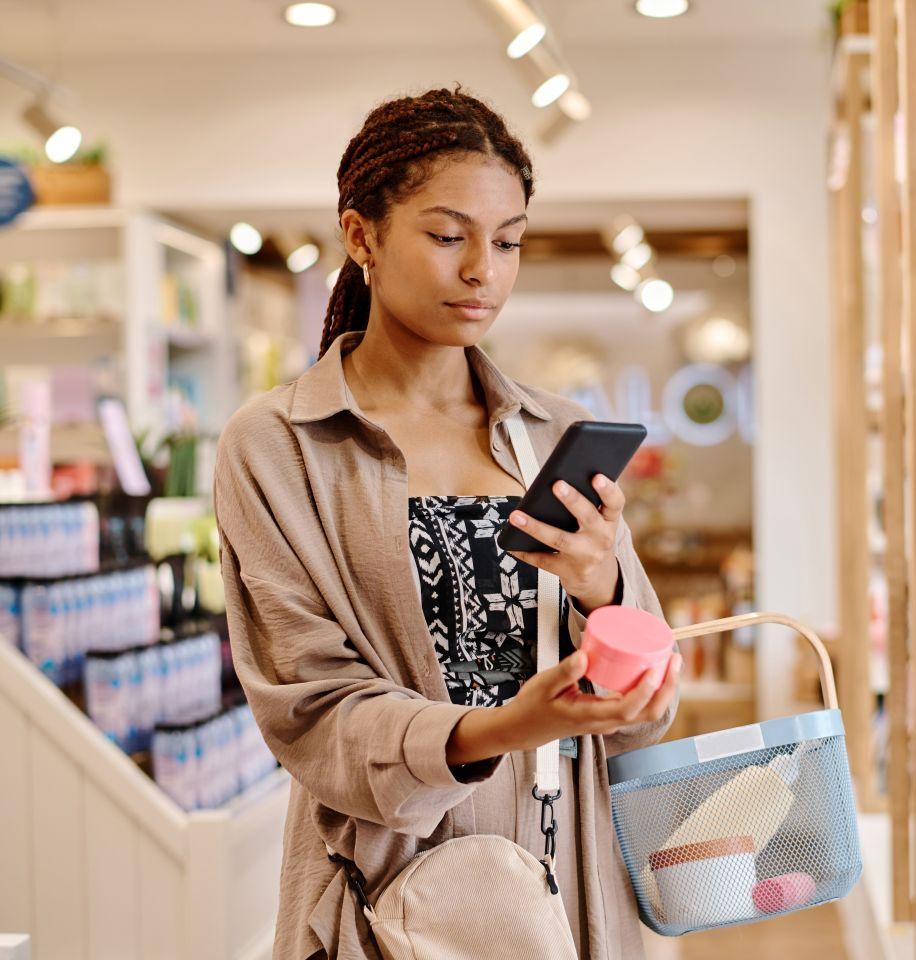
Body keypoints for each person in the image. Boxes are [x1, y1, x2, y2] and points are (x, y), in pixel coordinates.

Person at [213, 86, 681, 960]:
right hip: (384, 888)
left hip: (567, 879)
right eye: (446, 236)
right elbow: (311, 713)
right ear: (361, 236)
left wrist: (603, 588)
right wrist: (507, 727)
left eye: (507, 242)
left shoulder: (554, 432)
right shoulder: (280, 445)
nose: (482, 272)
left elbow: (644, 717)